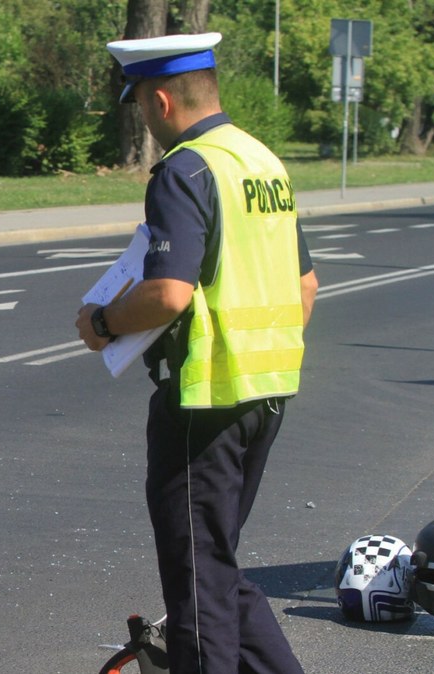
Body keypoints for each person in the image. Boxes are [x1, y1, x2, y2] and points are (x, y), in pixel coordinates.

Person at [75, 33, 319, 673]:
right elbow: (305, 286)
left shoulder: (186, 170)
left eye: (141, 109)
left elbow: (168, 294)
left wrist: (101, 321)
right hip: (265, 393)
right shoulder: (261, 161)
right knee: (215, 566)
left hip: (205, 400)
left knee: (196, 587)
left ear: (159, 100)